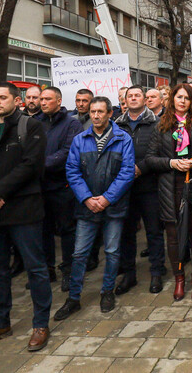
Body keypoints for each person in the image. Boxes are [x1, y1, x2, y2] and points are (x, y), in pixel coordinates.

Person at [0, 83, 51, 352]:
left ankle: (41, 324)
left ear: (18, 100)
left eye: (3, 97)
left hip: (23, 209)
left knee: (35, 267)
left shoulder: (31, 127)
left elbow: (31, 166)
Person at [54, 96, 136, 320]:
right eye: (93, 112)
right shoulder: (80, 139)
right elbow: (72, 171)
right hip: (87, 207)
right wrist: (87, 198)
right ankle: (73, 298)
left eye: (101, 111)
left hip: (114, 206)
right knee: (79, 253)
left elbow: (127, 172)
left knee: (111, 251)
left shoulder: (123, 138)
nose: (96, 116)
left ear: (110, 113)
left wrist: (107, 199)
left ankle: (107, 291)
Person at [145, 85, 192, 302]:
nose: (183, 101)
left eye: (187, 98)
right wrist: (171, 162)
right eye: (179, 97)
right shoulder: (162, 125)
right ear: (172, 99)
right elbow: (150, 158)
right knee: (174, 237)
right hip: (170, 187)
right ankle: (179, 279)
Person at [113, 86, 166, 296]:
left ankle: (156, 271)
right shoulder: (117, 124)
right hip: (123, 188)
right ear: (125, 101)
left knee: (153, 231)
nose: (133, 98)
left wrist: (141, 168)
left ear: (145, 99)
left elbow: (162, 151)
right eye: (130, 96)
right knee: (126, 232)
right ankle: (129, 273)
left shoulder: (158, 123)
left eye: (137, 95)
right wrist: (125, 171)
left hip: (150, 185)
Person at [33, 87, 81, 289]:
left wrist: (38, 164)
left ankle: (68, 270)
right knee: (43, 230)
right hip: (40, 186)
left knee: (67, 229)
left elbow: (68, 151)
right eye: (41, 99)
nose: (42, 102)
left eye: (47, 99)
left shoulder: (72, 123)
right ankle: (47, 269)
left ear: (59, 101)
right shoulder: (36, 123)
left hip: (62, 185)